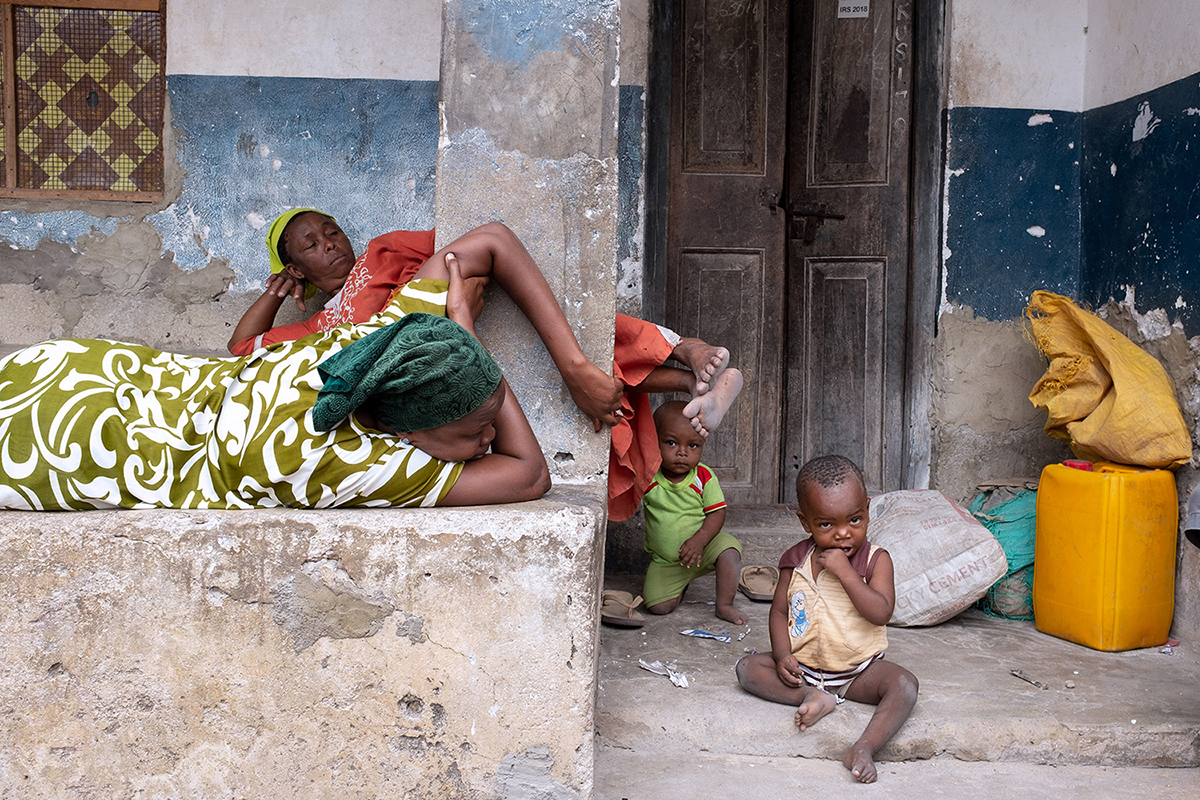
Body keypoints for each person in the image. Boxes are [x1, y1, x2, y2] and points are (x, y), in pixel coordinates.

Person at [227, 210, 744, 519]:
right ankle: (693, 376)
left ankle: (687, 354)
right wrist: (275, 293)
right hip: (435, 364)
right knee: (534, 334)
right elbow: (242, 348)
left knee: (555, 316)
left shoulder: (380, 255)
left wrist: (453, 298)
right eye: (311, 247)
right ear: (296, 268)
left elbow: (455, 248)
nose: (331, 246)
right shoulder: (321, 328)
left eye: (332, 231)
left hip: (445, 320)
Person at [0, 255, 549, 510]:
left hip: (73, 368)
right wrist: (470, 337)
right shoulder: (364, 465)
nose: (489, 442)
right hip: (60, 447)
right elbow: (529, 476)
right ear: (405, 430)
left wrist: (458, 338)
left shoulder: (376, 347)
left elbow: (484, 242)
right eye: (479, 428)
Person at [734, 455, 918, 784]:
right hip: (804, 668)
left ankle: (863, 747)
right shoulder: (795, 561)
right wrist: (782, 656)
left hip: (859, 672)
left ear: (868, 508)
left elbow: (881, 611)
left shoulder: (876, 560)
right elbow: (778, 612)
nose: (843, 534)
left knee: (904, 686)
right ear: (805, 522)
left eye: (855, 520)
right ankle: (812, 696)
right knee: (747, 669)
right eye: (826, 525)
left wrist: (847, 574)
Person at [640, 401, 746, 625]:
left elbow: (717, 513)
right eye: (671, 443)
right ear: (654, 441)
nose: (682, 452)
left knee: (729, 551)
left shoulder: (703, 477)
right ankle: (680, 583)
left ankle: (724, 605)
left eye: (693, 446)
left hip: (703, 548)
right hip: (667, 561)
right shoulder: (649, 477)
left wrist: (699, 540)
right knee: (658, 607)